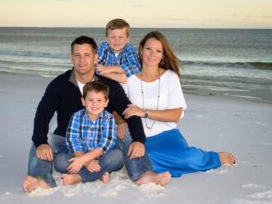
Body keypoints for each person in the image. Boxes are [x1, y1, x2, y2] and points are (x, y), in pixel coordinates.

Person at [22, 35, 169, 193]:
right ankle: (41, 179)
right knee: (44, 141)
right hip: (70, 143)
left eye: (87, 55)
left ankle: (143, 173)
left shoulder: (108, 85)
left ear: (95, 57)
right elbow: (42, 114)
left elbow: (129, 111)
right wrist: (41, 142)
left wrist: (139, 139)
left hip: (102, 146)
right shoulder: (59, 84)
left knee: (124, 135)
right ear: (72, 58)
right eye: (77, 55)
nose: (82, 60)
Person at [122, 31, 236, 178]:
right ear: (141, 49)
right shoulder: (128, 79)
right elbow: (117, 108)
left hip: (167, 135)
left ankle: (215, 157)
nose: (152, 54)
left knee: (186, 159)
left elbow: (175, 115)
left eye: (158, 50)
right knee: (141, 158)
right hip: (139, 138)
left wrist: (143, 112)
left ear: (163, 55)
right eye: (148, 48)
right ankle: (160, 166)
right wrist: (120, 121)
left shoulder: (170, 77)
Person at [54, 81, 124, 185]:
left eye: (99, 100)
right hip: (80, 155)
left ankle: (78, 177)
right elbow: (73, 142)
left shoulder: (108, 118)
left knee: (118, 156)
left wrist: (84, 160)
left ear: (106, 102)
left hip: (102, 157)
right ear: (83, 101)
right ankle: (99, 174)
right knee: (60, 161)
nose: (95, 104)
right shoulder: (76, 116)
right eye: (90, 100)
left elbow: (106, 143)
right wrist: (86, 162)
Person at [96, 18, 141, 83]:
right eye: (112, 37)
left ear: (128, 39)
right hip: (105, 85)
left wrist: (110, 68)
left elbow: (136, 68)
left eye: (121, 37)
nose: (116, 41)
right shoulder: (104, 47)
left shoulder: (129, 49)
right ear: (107, 39)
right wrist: (118, 77)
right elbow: (93, 66)